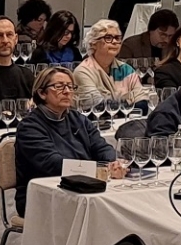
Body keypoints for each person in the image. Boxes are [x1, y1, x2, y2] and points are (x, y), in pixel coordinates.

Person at [14, 66, 122, 215]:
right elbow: (54, 164)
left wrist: (111, 162)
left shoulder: (78, 119)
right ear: (42, 93)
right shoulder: (29, 127)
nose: (67, 91)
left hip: (83, 188)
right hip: (43, 196)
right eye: (59, 87)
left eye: (71, 87)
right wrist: (99, 169)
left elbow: (102, 147)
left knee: (120, 207)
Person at [72, 18, 141, 102]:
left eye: (117, 38)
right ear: (93, 43)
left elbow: (143, 102)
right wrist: (129, 101)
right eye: (108, 38)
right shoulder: (83, 72)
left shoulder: (126, 69)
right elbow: (98, 106)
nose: (115, 42)